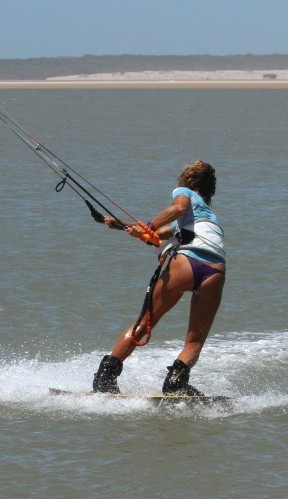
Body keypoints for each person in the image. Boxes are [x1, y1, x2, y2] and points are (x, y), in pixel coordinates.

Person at [92, 160, 226, 396]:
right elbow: (153, 235)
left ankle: (105, 379)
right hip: (215, 271)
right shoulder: (208, 216)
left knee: (144, 323)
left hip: (186, 263)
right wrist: (122, 226)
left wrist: (148, 225)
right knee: (194, 342)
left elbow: (177, 209)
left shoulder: (185, 193)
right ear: (210, 189)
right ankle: (176, 382)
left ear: (190, 181)